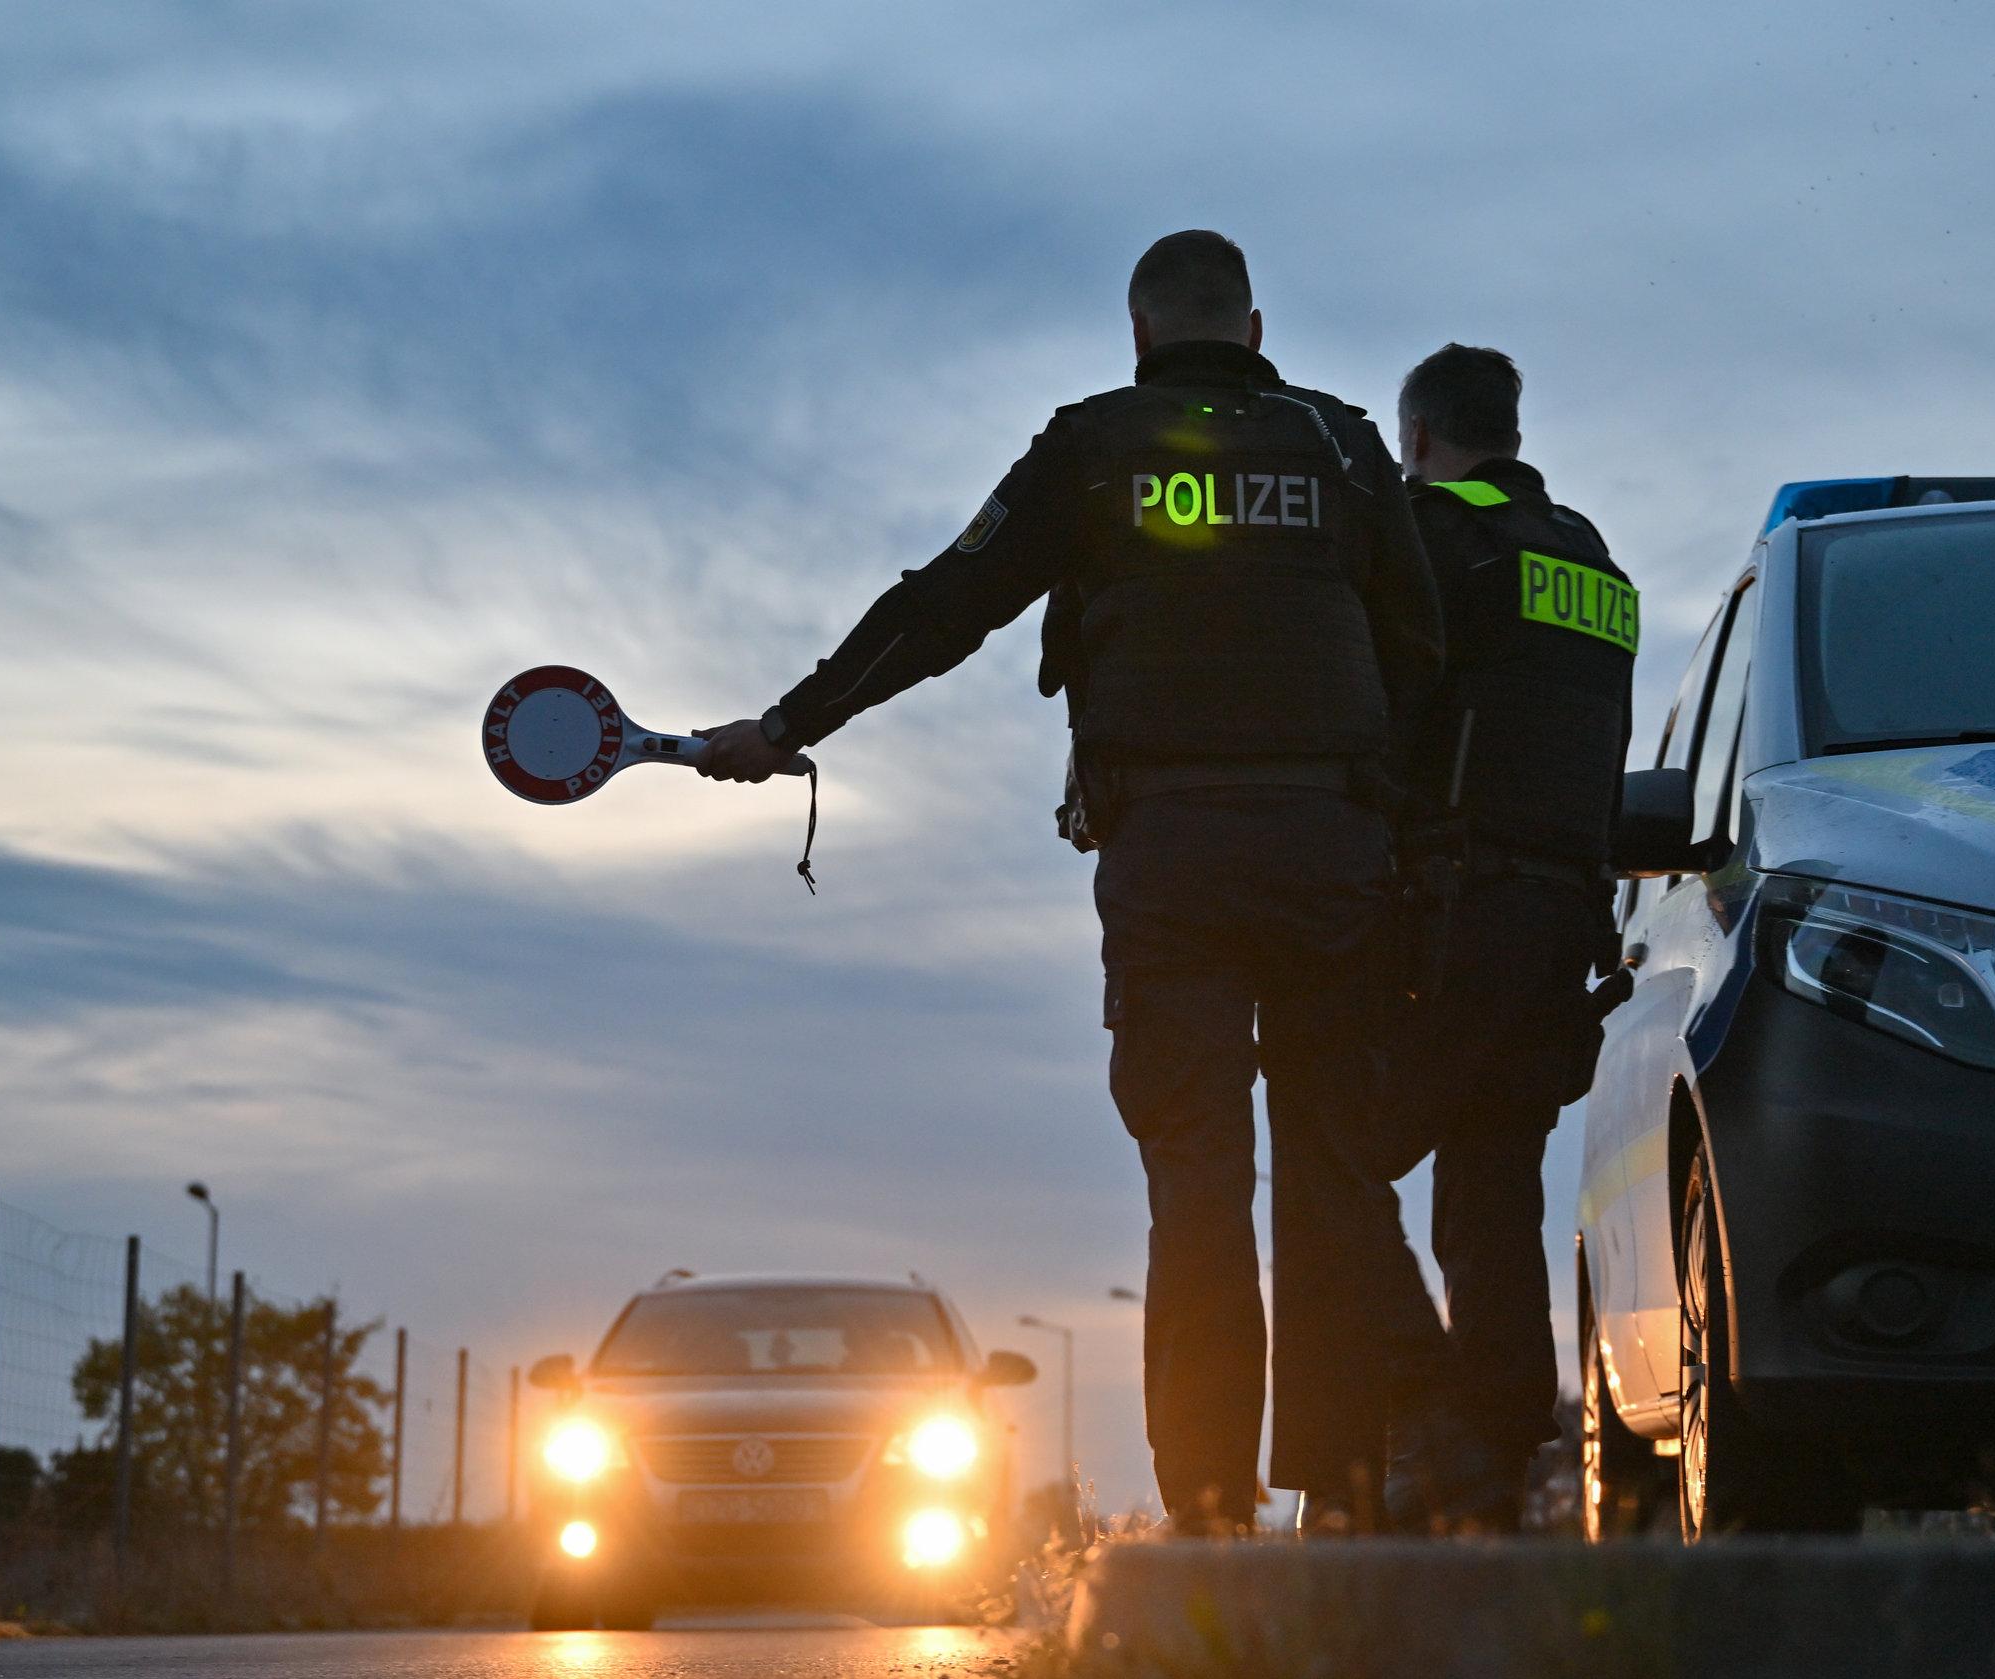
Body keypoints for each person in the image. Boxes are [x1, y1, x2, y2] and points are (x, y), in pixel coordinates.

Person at [696, 231, 1444, 1532]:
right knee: (1335, 1173)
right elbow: (1420, 651)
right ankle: (1348, 1500)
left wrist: (794, 724)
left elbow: (949, 602)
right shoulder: (1338, 445)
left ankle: (1206, 1512)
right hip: (1334, 850)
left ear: (1140, 333)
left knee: (1197, 1178)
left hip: (1172, 856)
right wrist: (1405, 845)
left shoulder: (1094, 446)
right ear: (1253, 329)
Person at [1377, 343, 1639, 1531]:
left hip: (1449, 914)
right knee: (1490, 1201)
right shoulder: (1593, 559)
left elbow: (1390, 718)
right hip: (1559, 931)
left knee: (1343, 1157)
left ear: (1421, 437)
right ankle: (1490, 1471)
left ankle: (1428, 1427)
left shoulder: (1434, 539)